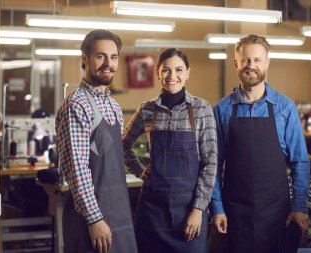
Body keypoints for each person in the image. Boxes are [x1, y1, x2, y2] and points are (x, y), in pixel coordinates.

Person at [209, 34, 310, 253]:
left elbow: (300, 161)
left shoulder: (285, 107)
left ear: (267, 63)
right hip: (234, 214)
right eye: (245, 60)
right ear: (236, 63)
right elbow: (213, 166)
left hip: (277, 213)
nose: (251, 66)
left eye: (257, 60)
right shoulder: (221, 110)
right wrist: (217, 207)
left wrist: (299, 206)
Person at [123, 48, 217, 253]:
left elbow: (210, 163)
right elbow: (122, 144)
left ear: (188, 73)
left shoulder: (202, 109)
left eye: (179, 70)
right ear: (158, 72)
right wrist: (140, 171)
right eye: (166, 70)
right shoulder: (147, 109)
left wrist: (198, 209)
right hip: (152, 212)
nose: (172, 76)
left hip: (188, 211)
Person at [56, 29, 137, 253]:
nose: (108, 63)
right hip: (92, 221)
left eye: (113, 57)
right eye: (100, 56)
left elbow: (110, 159)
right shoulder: (77, 105)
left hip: (119, 212)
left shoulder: (114, 107)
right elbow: (77, 168)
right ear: (85, 59)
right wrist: (94, 219)